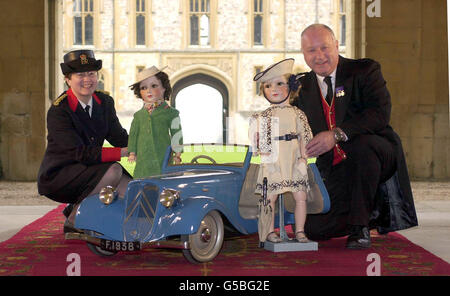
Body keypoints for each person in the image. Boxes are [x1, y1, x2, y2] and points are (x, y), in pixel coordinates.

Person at [292, 24, 418, 249]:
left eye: (324, 48)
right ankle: (368, 213)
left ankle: (359, 227)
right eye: (311, 50)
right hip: (336, 169)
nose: (319, 56)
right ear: (303, 54)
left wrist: (337, 135)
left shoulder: (364, 70)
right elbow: (292, 126)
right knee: (314, 230)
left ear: (337, 46)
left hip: (377, 154)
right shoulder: (302, 88)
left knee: (360, 145)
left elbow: (379, 114)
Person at [37, 49, 130, 233]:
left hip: (91, 170)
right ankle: (75, 218)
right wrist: (121, 153)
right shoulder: (59, 110)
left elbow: (118, 137)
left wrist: (145, 143)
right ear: (68, 79)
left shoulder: (104, 102)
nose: (87, 79)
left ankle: (80, 207)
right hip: (60, 175)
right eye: (80, 74)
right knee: (114, 170)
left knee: (134, 191)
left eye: (91, 74)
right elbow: (78, 153)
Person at [250, 58, 314, 243]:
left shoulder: (298, 114)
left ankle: (300, 230)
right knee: (270, 197)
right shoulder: (265, 116)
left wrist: (304, 159)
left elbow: (304, 137)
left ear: (291, 87)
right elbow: (262, 142)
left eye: (279, 84)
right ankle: (270, 231)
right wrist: (268, 161)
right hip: (274, 161)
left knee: (300, 197)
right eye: (268, 86)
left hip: (294, 159)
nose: (274, 89)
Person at [128, 66, 183, 178]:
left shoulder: (172, 113)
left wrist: (177, 153)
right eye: (143, 88)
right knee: (142, 179)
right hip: (143, 157)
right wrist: (132, 152)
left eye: (154, 86)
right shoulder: (138, 115)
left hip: (162, 154)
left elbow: (176, 134)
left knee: (163, 180)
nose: (148, 91)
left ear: (164, 88)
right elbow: (133, 135)